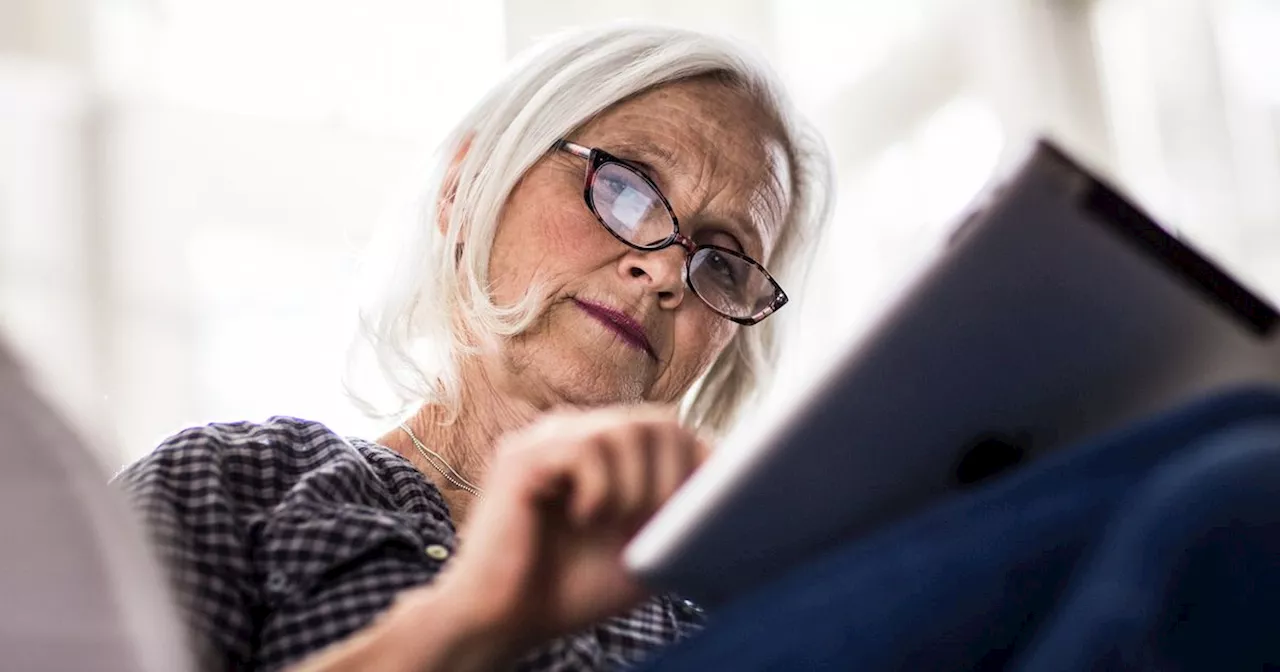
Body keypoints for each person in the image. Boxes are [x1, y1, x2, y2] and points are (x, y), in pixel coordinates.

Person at [114, 23, 833, 672]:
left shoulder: (720, 623)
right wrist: (465, 622)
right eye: (627, 187)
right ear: (466, 188)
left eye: (724, 260)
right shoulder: (233, 486)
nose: (669, 270)